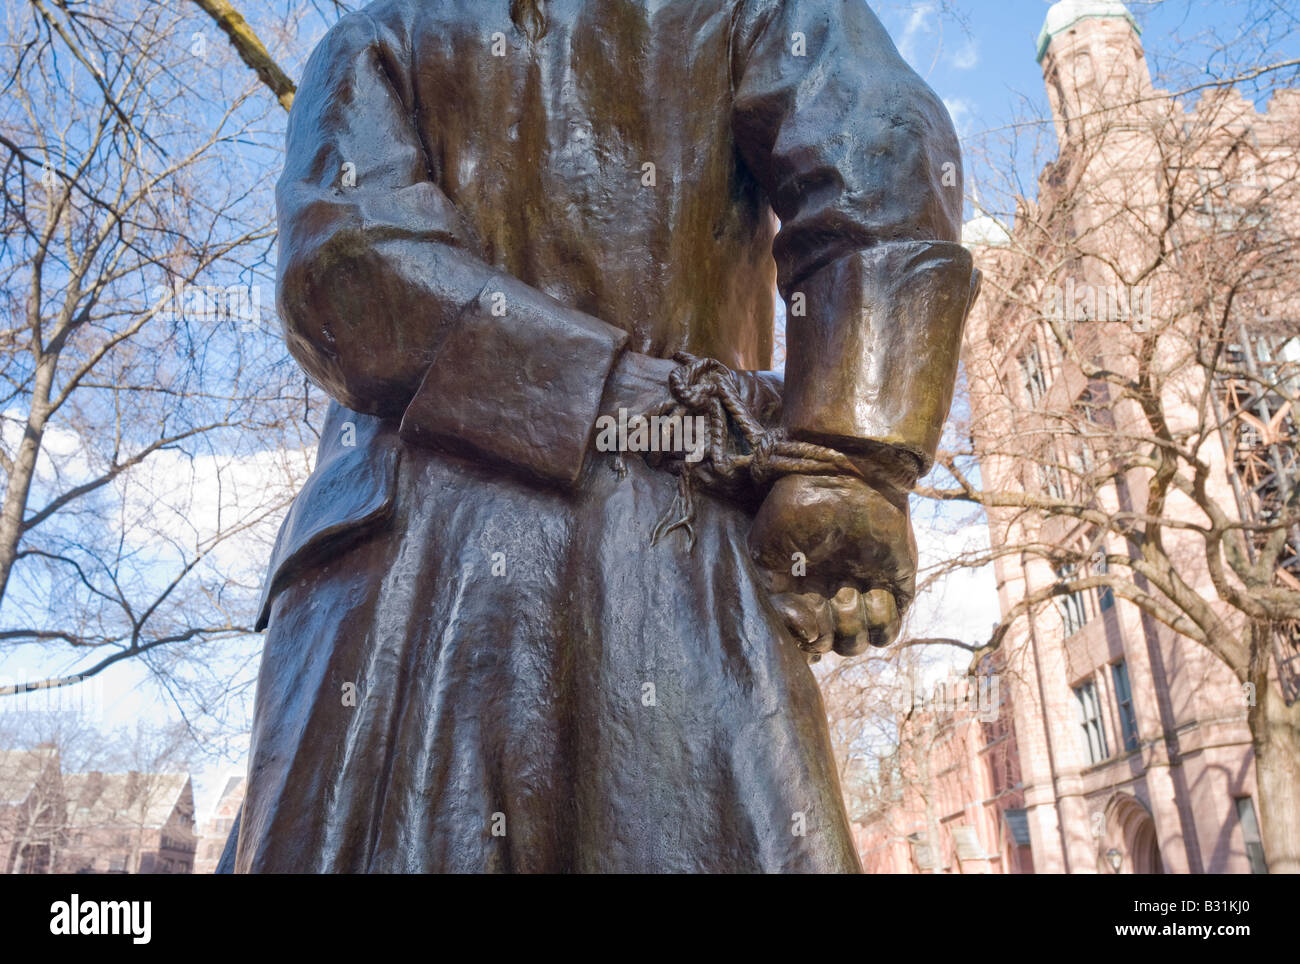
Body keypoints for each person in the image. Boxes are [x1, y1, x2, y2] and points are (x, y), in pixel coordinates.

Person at [232, 0, 978, 873]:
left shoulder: (374, 33)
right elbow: (341, 273)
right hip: (599, 532)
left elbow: (344, 265)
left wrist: (850, 461)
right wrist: (850, 457)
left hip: (489, 564)